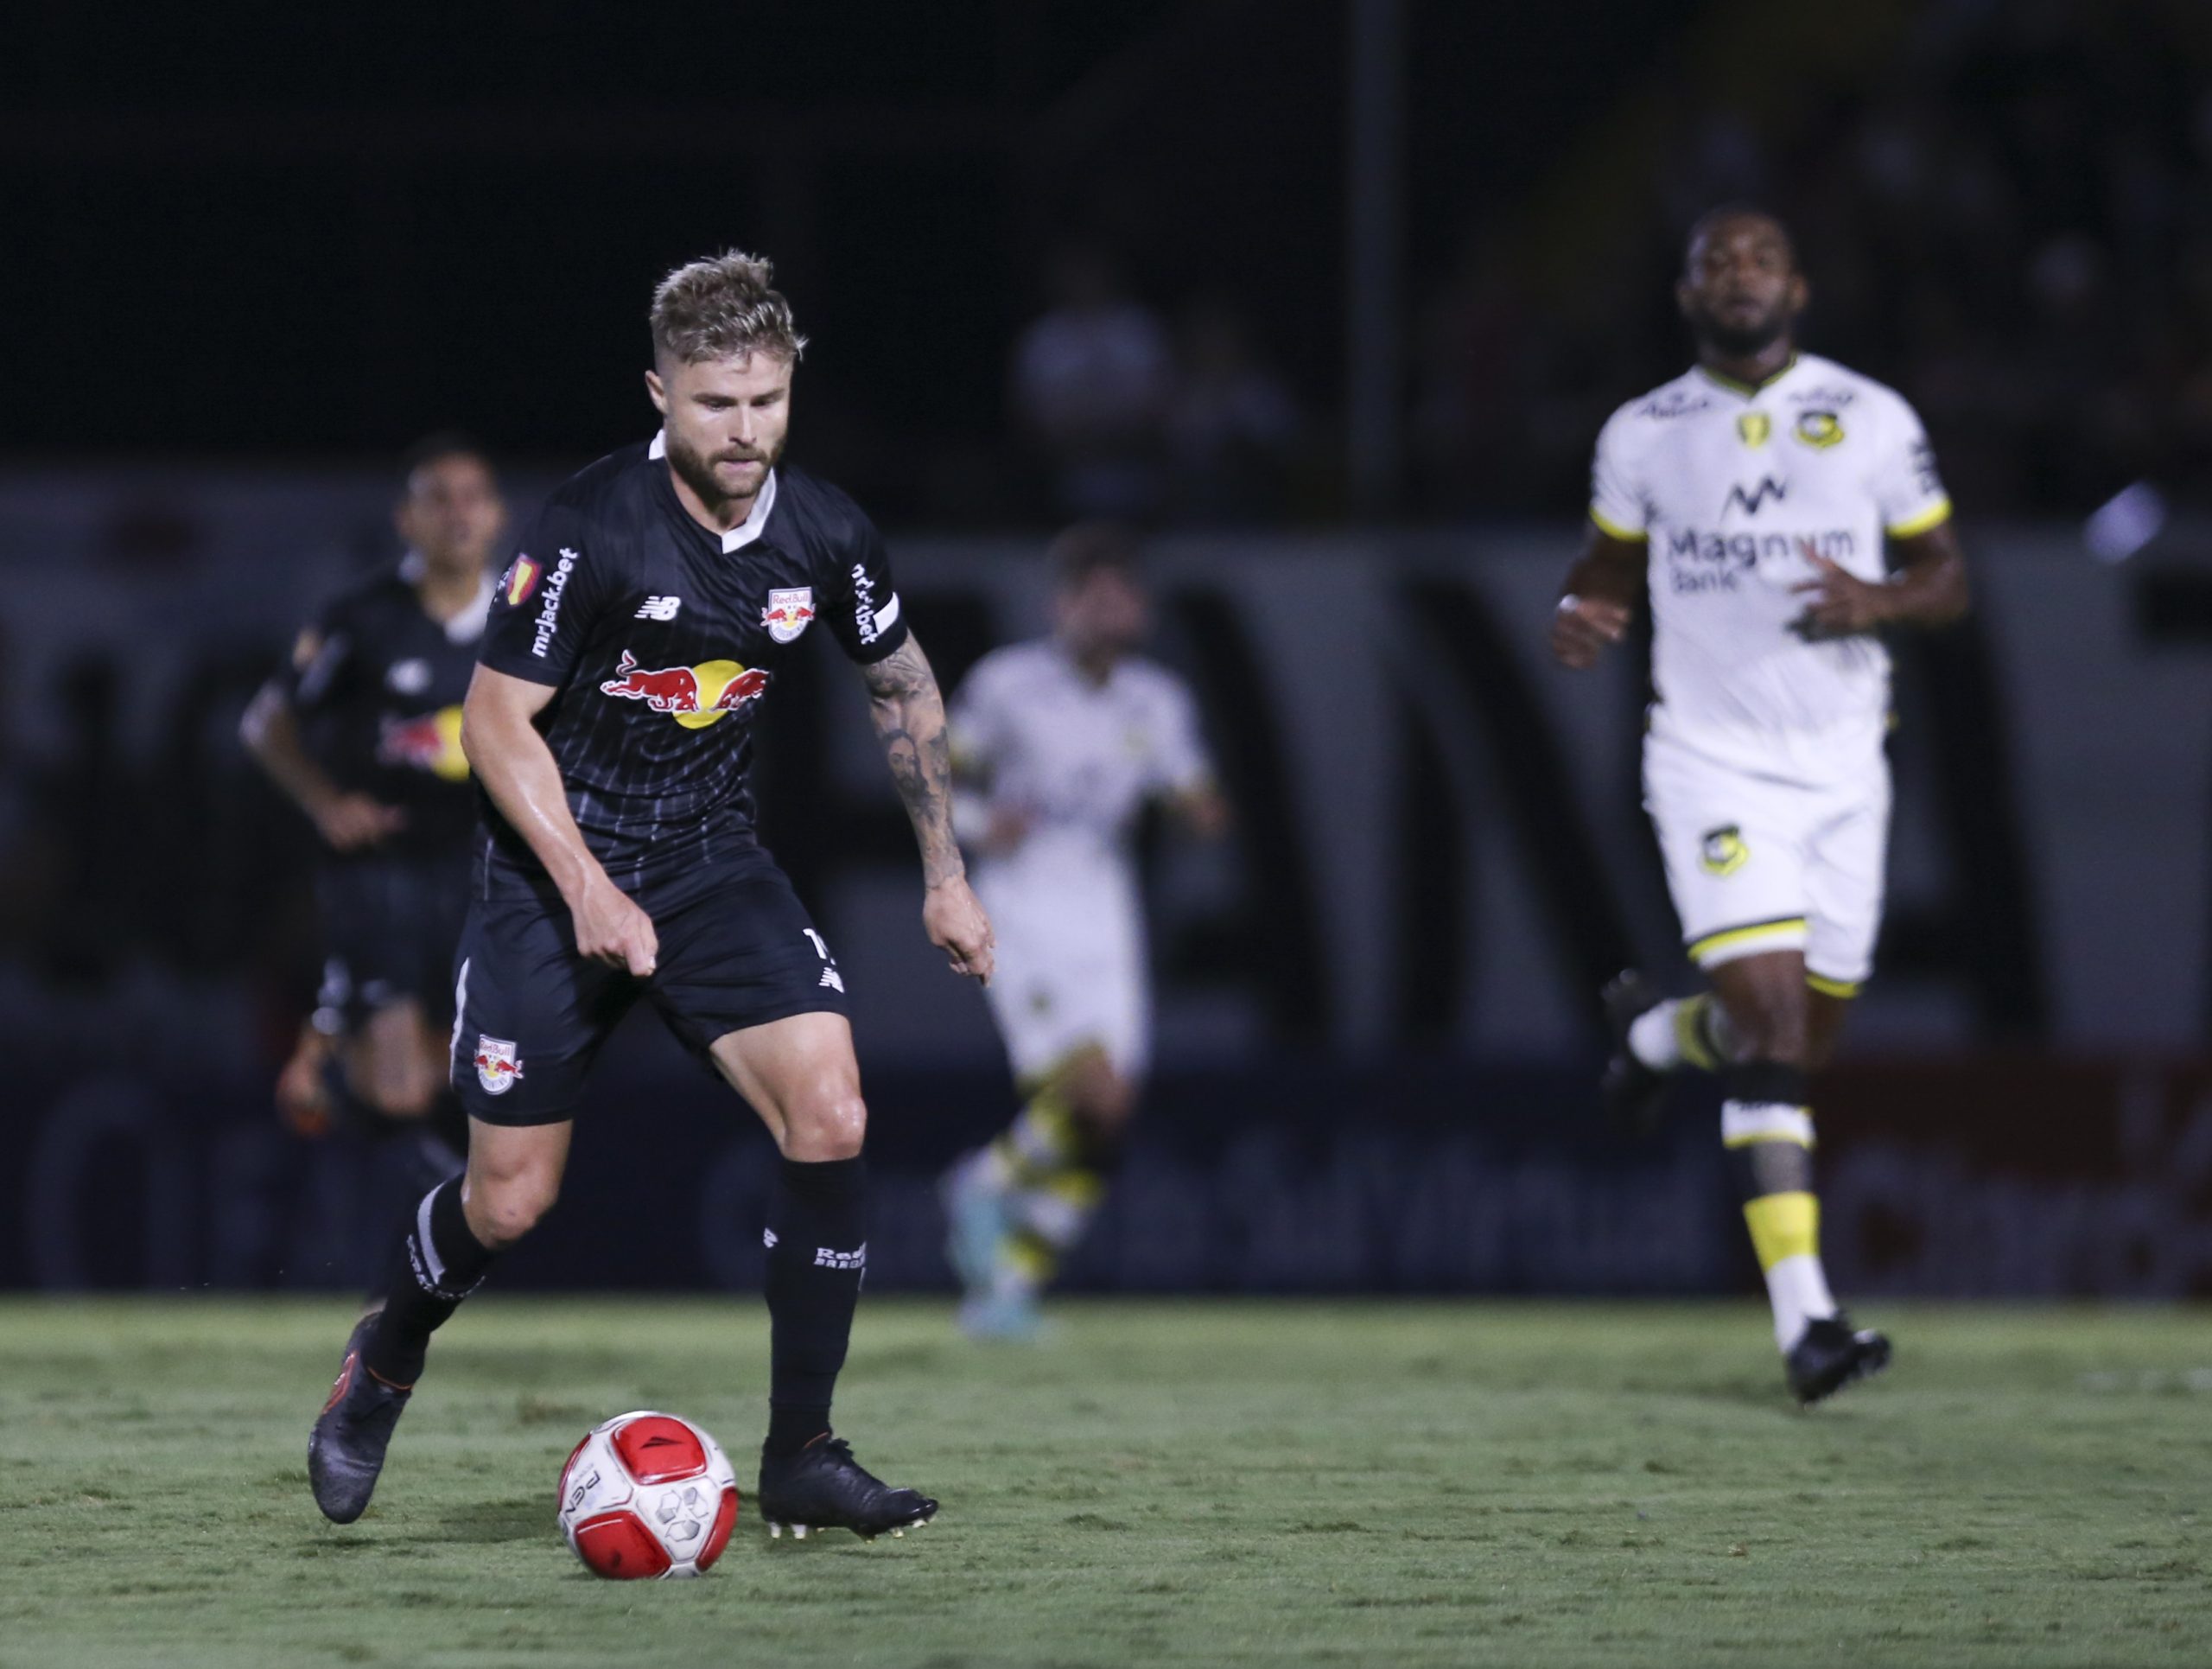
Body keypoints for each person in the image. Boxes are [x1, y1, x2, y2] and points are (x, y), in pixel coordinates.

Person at [308, 251, 995, 1540]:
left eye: (767, 401)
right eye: (715, 404)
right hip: (548, 869)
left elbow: (901, 681)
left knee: (833, 1110)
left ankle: (802, 1449)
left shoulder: (827, 531)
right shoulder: (591, 525)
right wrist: (583, 887)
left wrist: (946, 875)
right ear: (659, 395)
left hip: (708, 860)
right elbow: (495, 721)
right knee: (509, 1198)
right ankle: (384, 1358)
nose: (745, 432)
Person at [1550, 206, 1969, 1405]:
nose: (1739, 276)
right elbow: (1604, 570)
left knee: (1796, 1038)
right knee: (1775, 1027)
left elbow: (1948, 579)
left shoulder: (1873, 415)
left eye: (1761, 258)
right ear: (1686, 295)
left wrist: (1878, 599)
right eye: (1715, 262)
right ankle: (1810, 1324)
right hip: (1710, 761)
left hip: (1846, 768)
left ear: (1801, 283)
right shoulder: (1644, 432)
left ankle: (1646, 1037)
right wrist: (1582, 614)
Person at [939, 525, 1227, 1339]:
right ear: (1063, 604)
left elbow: (1192, 786)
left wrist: (1203, 808)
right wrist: (977, 822)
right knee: (1089, 1088)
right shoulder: (1007, 685)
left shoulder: (1157, 699)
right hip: (1022, 905)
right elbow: (936, 778)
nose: (1113, 609)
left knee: (1113, 1113)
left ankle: (1008, 1291)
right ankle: (984, 1184)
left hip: (1106, 906)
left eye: (1125, 594)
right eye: (1095, 594)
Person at [243, 436, 505, 1182]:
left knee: (480, 1074)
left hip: (485, 870)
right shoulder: (363, 621)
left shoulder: (529, 622)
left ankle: (330, 1046)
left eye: (472, 498)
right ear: (407, 519)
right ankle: (338, 1066)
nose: (458, 515)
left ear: (495, 516)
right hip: (382, 871)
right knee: (401, 1086)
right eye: (439, 498)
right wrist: (326, 803)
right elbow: (266, 723)